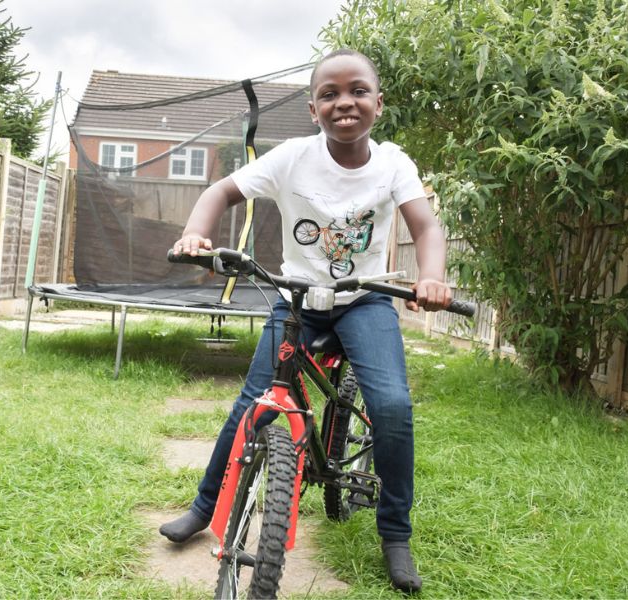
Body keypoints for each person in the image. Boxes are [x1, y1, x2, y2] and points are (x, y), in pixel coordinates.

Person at [160, 48, 451, 594]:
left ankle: (395, 533)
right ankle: (204, 507)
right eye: (329, 94)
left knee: (391, 405)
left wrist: (430, 276)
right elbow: (220, 191)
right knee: (252, 405)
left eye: (358, 91)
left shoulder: (393, 163)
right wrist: (197, 234)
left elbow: (427, 228)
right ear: (314, 110)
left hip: (364, 299)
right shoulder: (292, 157)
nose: (345, 102)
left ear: (378, 104)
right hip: (297, 299)